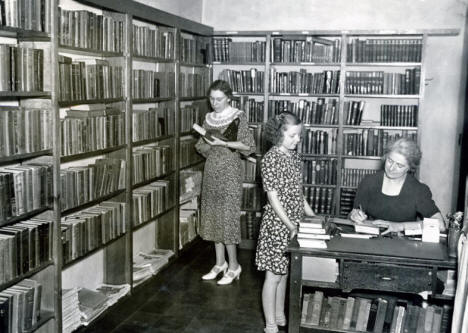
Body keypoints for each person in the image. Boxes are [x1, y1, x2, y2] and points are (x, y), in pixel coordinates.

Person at [255, 112, 315, 333]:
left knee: (285, 272)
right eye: (293, 136)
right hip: (277, 225)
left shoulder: (295, 157)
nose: (297, 140)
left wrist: (312, 215)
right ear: (278, 134)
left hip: (294, 223)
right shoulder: (270, 159)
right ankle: (270, 323)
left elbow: (298, 194)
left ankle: (280, 315)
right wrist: (291, 225)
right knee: (273, 276)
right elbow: (273, 198)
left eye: (299, 135)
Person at [195, 79, 256, 285]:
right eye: (211, 99)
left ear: (228, 98)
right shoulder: (208, 118)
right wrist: (206, 143)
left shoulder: (238, 117)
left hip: (230, 170)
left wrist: (224, 143)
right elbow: (202, 145)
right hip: (212, 169)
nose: (215, 103)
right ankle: (219, 263)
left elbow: (248, 146)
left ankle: (234, 265)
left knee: (227, 217)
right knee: (212, 215)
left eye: (219, 99)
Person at [349, 137, 445, 235]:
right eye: (390, 161)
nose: (391, 168)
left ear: (410, 168)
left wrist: (400, 226)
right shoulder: (369, 181)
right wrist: (354, 215)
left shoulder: (418, 190)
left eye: (399, 165)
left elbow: (440, 225)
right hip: (369, 240)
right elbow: (354, 212)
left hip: (402, 244)